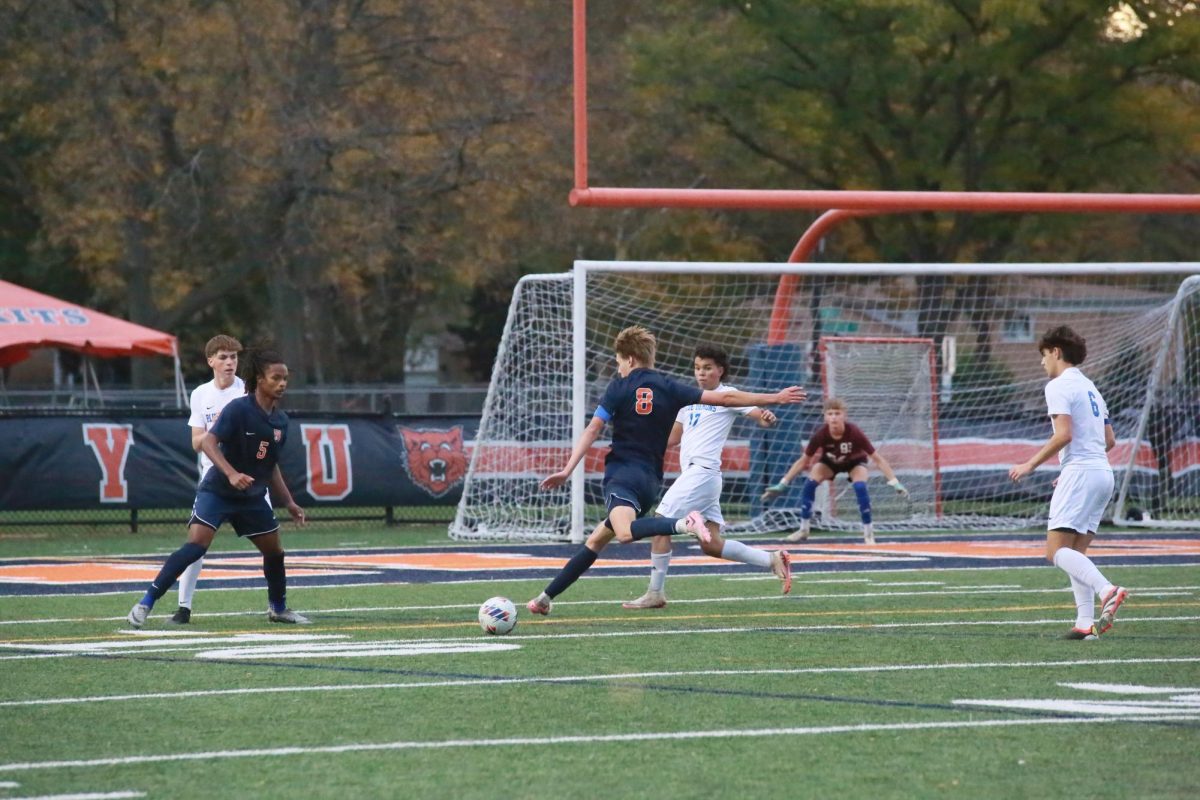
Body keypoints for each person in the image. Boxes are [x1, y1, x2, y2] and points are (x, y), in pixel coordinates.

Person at [526, 326, 807, 616]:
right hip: (662, 478)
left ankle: (659, 583)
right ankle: (545, 597)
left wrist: (567, 469)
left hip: (648, 474)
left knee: (644, 527)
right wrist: (773, 397)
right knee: (698, 544)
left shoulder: (620, 387)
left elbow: (594, 428)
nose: (618, 367)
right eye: (697, 367)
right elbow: (675, 434)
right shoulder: (673, 390)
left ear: (631, 360)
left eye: (619, 361)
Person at [128, 347, 309, 628]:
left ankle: (278, 608)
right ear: (260, 380)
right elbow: (209, 442)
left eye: (285, 378)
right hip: (219, 490)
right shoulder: (239, 408)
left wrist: (289, 502)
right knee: (196, 545)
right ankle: (145, 603)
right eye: (276, 378)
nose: (282, 383)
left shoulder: (281, 421)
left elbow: (270, 465)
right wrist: (232, 473)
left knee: (275, 552)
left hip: (251, 495)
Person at [624, 344, 792, 610]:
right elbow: (673, 438)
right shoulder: (690, 399)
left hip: (702, 473)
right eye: (697, 368)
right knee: (712, 545)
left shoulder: (728, 395)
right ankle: (771, 559)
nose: (701, 373)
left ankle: (655, 592)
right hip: (701, 477)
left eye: (707, 368)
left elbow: (758, 415)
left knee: (659, 522)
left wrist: (767, 417)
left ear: (720, 371)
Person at [1008, 325, 1127, 639]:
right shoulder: (1092, 388)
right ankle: (1085, 623)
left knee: (1055, 552)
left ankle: (1108, 590)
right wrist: (1074, 468)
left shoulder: (1058, 386)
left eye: (1044, 355)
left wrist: (1029, 464)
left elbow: (1063, 435)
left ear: (1056, 352)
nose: (1042, 363)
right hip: (1101, 473)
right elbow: (1110, 439)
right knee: (1076, 553)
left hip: (1083, 473)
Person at [170, 334, 246, 624]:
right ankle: (183, 607)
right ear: (210, 361)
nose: (230, 363)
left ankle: (277, 605)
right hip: (213, 482)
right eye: (224, 357)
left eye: (234, 357)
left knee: (271, 546)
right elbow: (195, 441)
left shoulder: (247, 393)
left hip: (246, 479)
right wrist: (216, 436)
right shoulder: (201, 393)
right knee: (197, 544)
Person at [760, 397, 908, 545]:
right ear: (825, 417)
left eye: (837, 413)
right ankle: (803, 529)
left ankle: (868, 533)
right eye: (830, 414)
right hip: (831, 462)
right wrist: (783, 483)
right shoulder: (821, 434)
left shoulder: (854, 432)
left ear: (844, 415)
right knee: (809, 484)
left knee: (860, 487)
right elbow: (804, 460)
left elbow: (877, 459)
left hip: (854, 462)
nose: (834, 418)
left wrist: (894, 482)